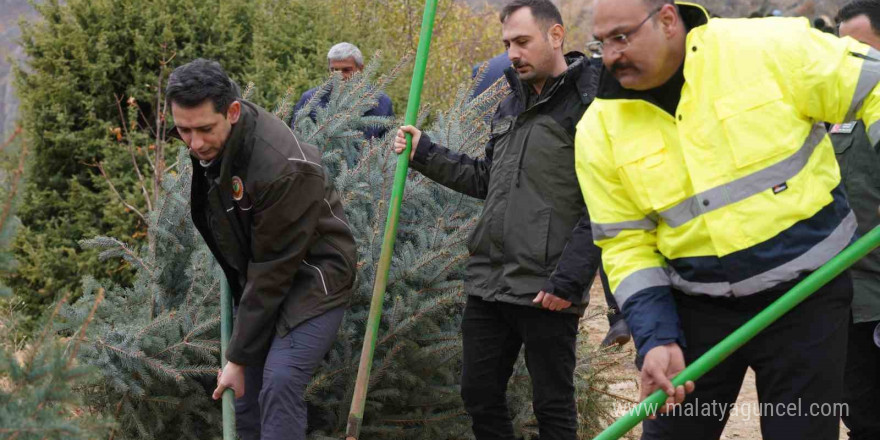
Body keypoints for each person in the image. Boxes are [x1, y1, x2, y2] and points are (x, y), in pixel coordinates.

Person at [576, 0, 880, 438]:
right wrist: (657, 336)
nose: (610, 56)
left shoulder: (767, 48)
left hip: (807, 298)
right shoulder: (598, 129)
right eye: (601, 43)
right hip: (695, 311)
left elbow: (872, 83)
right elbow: (625, 243)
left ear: (666, 19)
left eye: (622, 37)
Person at [391, 1, 601, 438]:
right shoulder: (510, 105)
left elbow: (604, 202)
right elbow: (487, 178)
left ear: (556, 36)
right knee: (479, 395)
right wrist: (425, 153)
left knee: (553, 407)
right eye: (507, 44)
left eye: (522, 41)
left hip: (547, 288)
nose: (513, 54)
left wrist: (570, 280)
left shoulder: (588, 106)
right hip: (489, 282)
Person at [166, 59, 357, 440]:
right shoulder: (214, 142)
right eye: (184, 130)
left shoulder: (282, 167)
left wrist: (237, 357)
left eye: (204, 129)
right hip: (260, 274)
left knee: (279, 381)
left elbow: (274, 270)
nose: (195, 143)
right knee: (244, 393)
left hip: (314, 277)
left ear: (233, 111)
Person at [833, 5, 880, 439]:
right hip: (846, 300)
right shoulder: (833, 110)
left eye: (862, 48)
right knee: (861, 417)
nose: (852, 60)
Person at [291, 42, 393, 140]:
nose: (339, 76)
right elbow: (295, 142)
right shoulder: (310, 100)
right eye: (334, 70)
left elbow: (391, 145)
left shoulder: (382, 102)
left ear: (361, 69)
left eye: (346, 70)